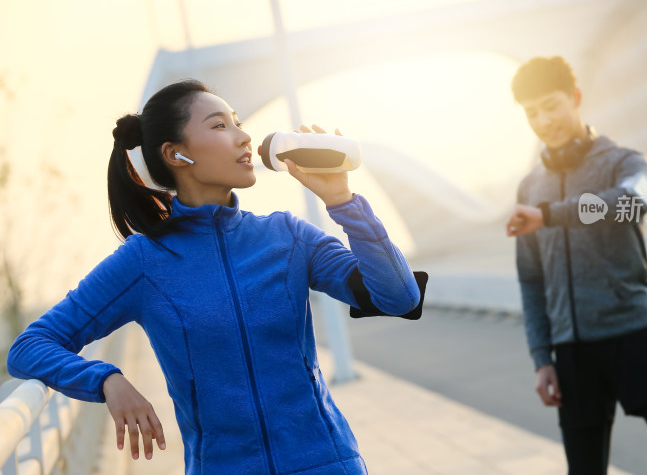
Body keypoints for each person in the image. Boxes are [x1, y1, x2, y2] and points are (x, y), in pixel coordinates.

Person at [6, 80, 423, 475]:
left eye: (239, 122)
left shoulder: (287, 236)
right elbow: (30, 346)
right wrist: (106, 380)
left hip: (329, 464)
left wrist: (343, 201)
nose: (244, 137)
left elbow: (398, 297)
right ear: (176, 154)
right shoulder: (145, 261)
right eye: (220, 125)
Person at [505, 56, 647, 475]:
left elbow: (640, 200)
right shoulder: (530, 187)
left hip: (635, 337)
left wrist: (552, 214)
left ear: (576, 98)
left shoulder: (625, 163)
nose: (544, 120)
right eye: (532, 113)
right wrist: (541, 357)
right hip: (571, 354)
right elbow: (532, 281)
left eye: (551, 105)